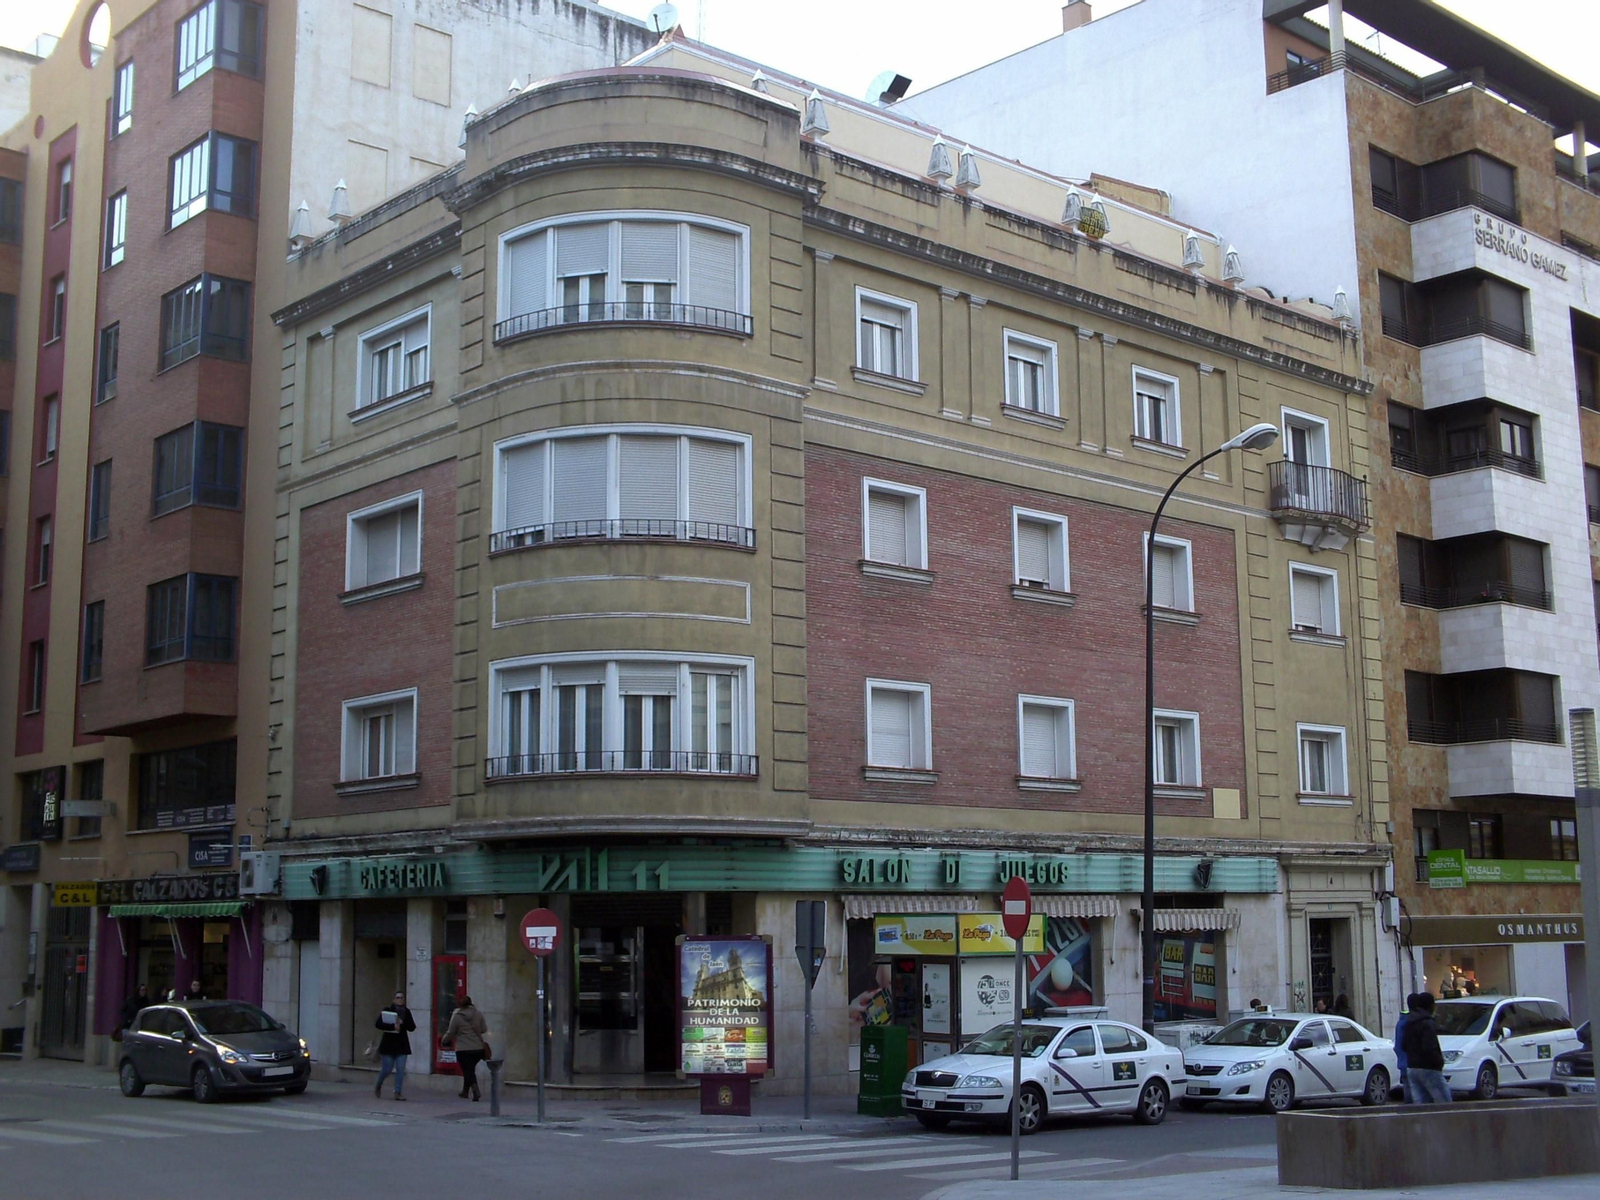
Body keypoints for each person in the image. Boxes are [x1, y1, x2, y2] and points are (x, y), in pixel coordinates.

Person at [1401, 991, 1451, 1104]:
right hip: (1429, 1067)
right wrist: (1439, 1062)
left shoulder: (1409, 1021)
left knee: (1421, 1103)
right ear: (1430, 1006)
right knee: (1444, 1101)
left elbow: (1404, 1045)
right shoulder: (1428, 1023)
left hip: (1412, 1066)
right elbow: (1429, 1047)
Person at [444, 995, 489, 1101]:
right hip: (478, 1048)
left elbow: (451, 1032)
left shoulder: (457, 1015)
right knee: (469, 1069)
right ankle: (465, 1091)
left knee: (468, 1070)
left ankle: (475, 1090)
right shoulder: (478, 1013)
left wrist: (444, 1040)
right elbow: (484, 1029)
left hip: (463, 1049)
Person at [374, 991, 416, 1102]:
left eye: (402, 997)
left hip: (402, 1045)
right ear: (393, 999)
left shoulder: (406, 1012)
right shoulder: (387, 1010)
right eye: (398, 997)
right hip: (388, 1044)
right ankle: (378, 1084)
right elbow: (378, 1024)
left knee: (400, 1069)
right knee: (387, 1069)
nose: (400, 999)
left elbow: (412, 1027)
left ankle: (398, 1092)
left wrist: (403, 1023)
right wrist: (392, 1026)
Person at [1393, 995, 1412, 1103]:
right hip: (1412, 1063)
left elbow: (1397, 1046)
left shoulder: (1400, 1023)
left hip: (1403, 1063)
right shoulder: (1409, 1022)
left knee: (1408, 1091)